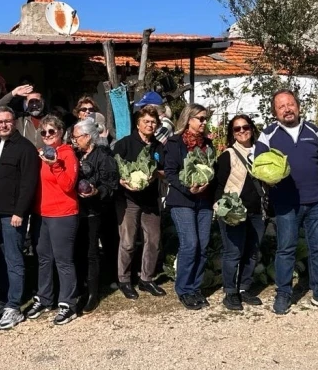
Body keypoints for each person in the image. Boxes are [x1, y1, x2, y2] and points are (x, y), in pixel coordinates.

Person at [255, 89, 318, 314]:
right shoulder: (268, 134)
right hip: (286, 204)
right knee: (286, 249)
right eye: (281, 106)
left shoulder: (314, 131)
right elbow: (256, 162)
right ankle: (283, 294)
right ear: (275, 112)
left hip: (315, 201)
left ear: (298, 106)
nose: (287, 109)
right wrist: (269, 178)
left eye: (290, 104)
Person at [0, 106, 40, 330]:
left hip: (12, 215)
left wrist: (20, 212)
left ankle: (14, 306)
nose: (3, 125)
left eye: (7, 121)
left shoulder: (25, 148)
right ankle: (2, 299)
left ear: (15, 122)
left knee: (14, 259)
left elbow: (29, 183)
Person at [25, 114, 80, 325]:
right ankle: (44, 297)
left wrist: (56, 164)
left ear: (61, 133)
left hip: (63, 214)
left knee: (63, 261)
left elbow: (68, 185)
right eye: (44, 132)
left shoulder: (67, 154)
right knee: (43, 259)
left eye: (52, 131)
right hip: (41, 214)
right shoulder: (39, 153)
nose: (47, 135)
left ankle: (68, 303)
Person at [164, 104, 215, 310]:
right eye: (200, 118)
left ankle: (195, 286)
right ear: (188, 119)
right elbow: (170, 173)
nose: (204, 122)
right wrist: (189, 189)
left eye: (205, 119)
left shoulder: (208, 145)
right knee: (190, 244)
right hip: (182, 200)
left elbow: (212, 172)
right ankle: (183, 289)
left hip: (204, 202)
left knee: (202, 246)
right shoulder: (175, 143)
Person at [113, 105, 166, 300]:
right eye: (146, 121)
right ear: (138, 123)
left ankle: (146, 278)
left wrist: (155, 175)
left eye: (153, 122)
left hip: (150, 200)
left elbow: (165, 170)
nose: (150, 125)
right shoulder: (124, 144)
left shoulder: (158, 147)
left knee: (153, 240)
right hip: (128, 200)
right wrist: (121, 180)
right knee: (127, 242)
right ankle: (124, 280)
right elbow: (114, 169)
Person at [213, 115, 265, 311]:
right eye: (237, 129)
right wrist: (219, 208)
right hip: (234, 212)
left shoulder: (262, 152)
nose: (242, 131)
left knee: (251, 252)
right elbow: (218, 185)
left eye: (245, 127)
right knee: (233, 252)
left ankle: (244, 288)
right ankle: (230, 292)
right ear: (232, 133)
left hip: (256, 211)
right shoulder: (228, 155)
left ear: (252, 128)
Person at [71, 118, 119, 313]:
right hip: (77, 210)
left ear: (88, 137)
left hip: (94, 211)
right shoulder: (76, 155)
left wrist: (96, 191)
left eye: (77, 137)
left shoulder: (103, 157)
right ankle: (81, 287)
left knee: (92, 252)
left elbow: (111, 185)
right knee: (78, 249)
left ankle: (93, 293)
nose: (74, 141)